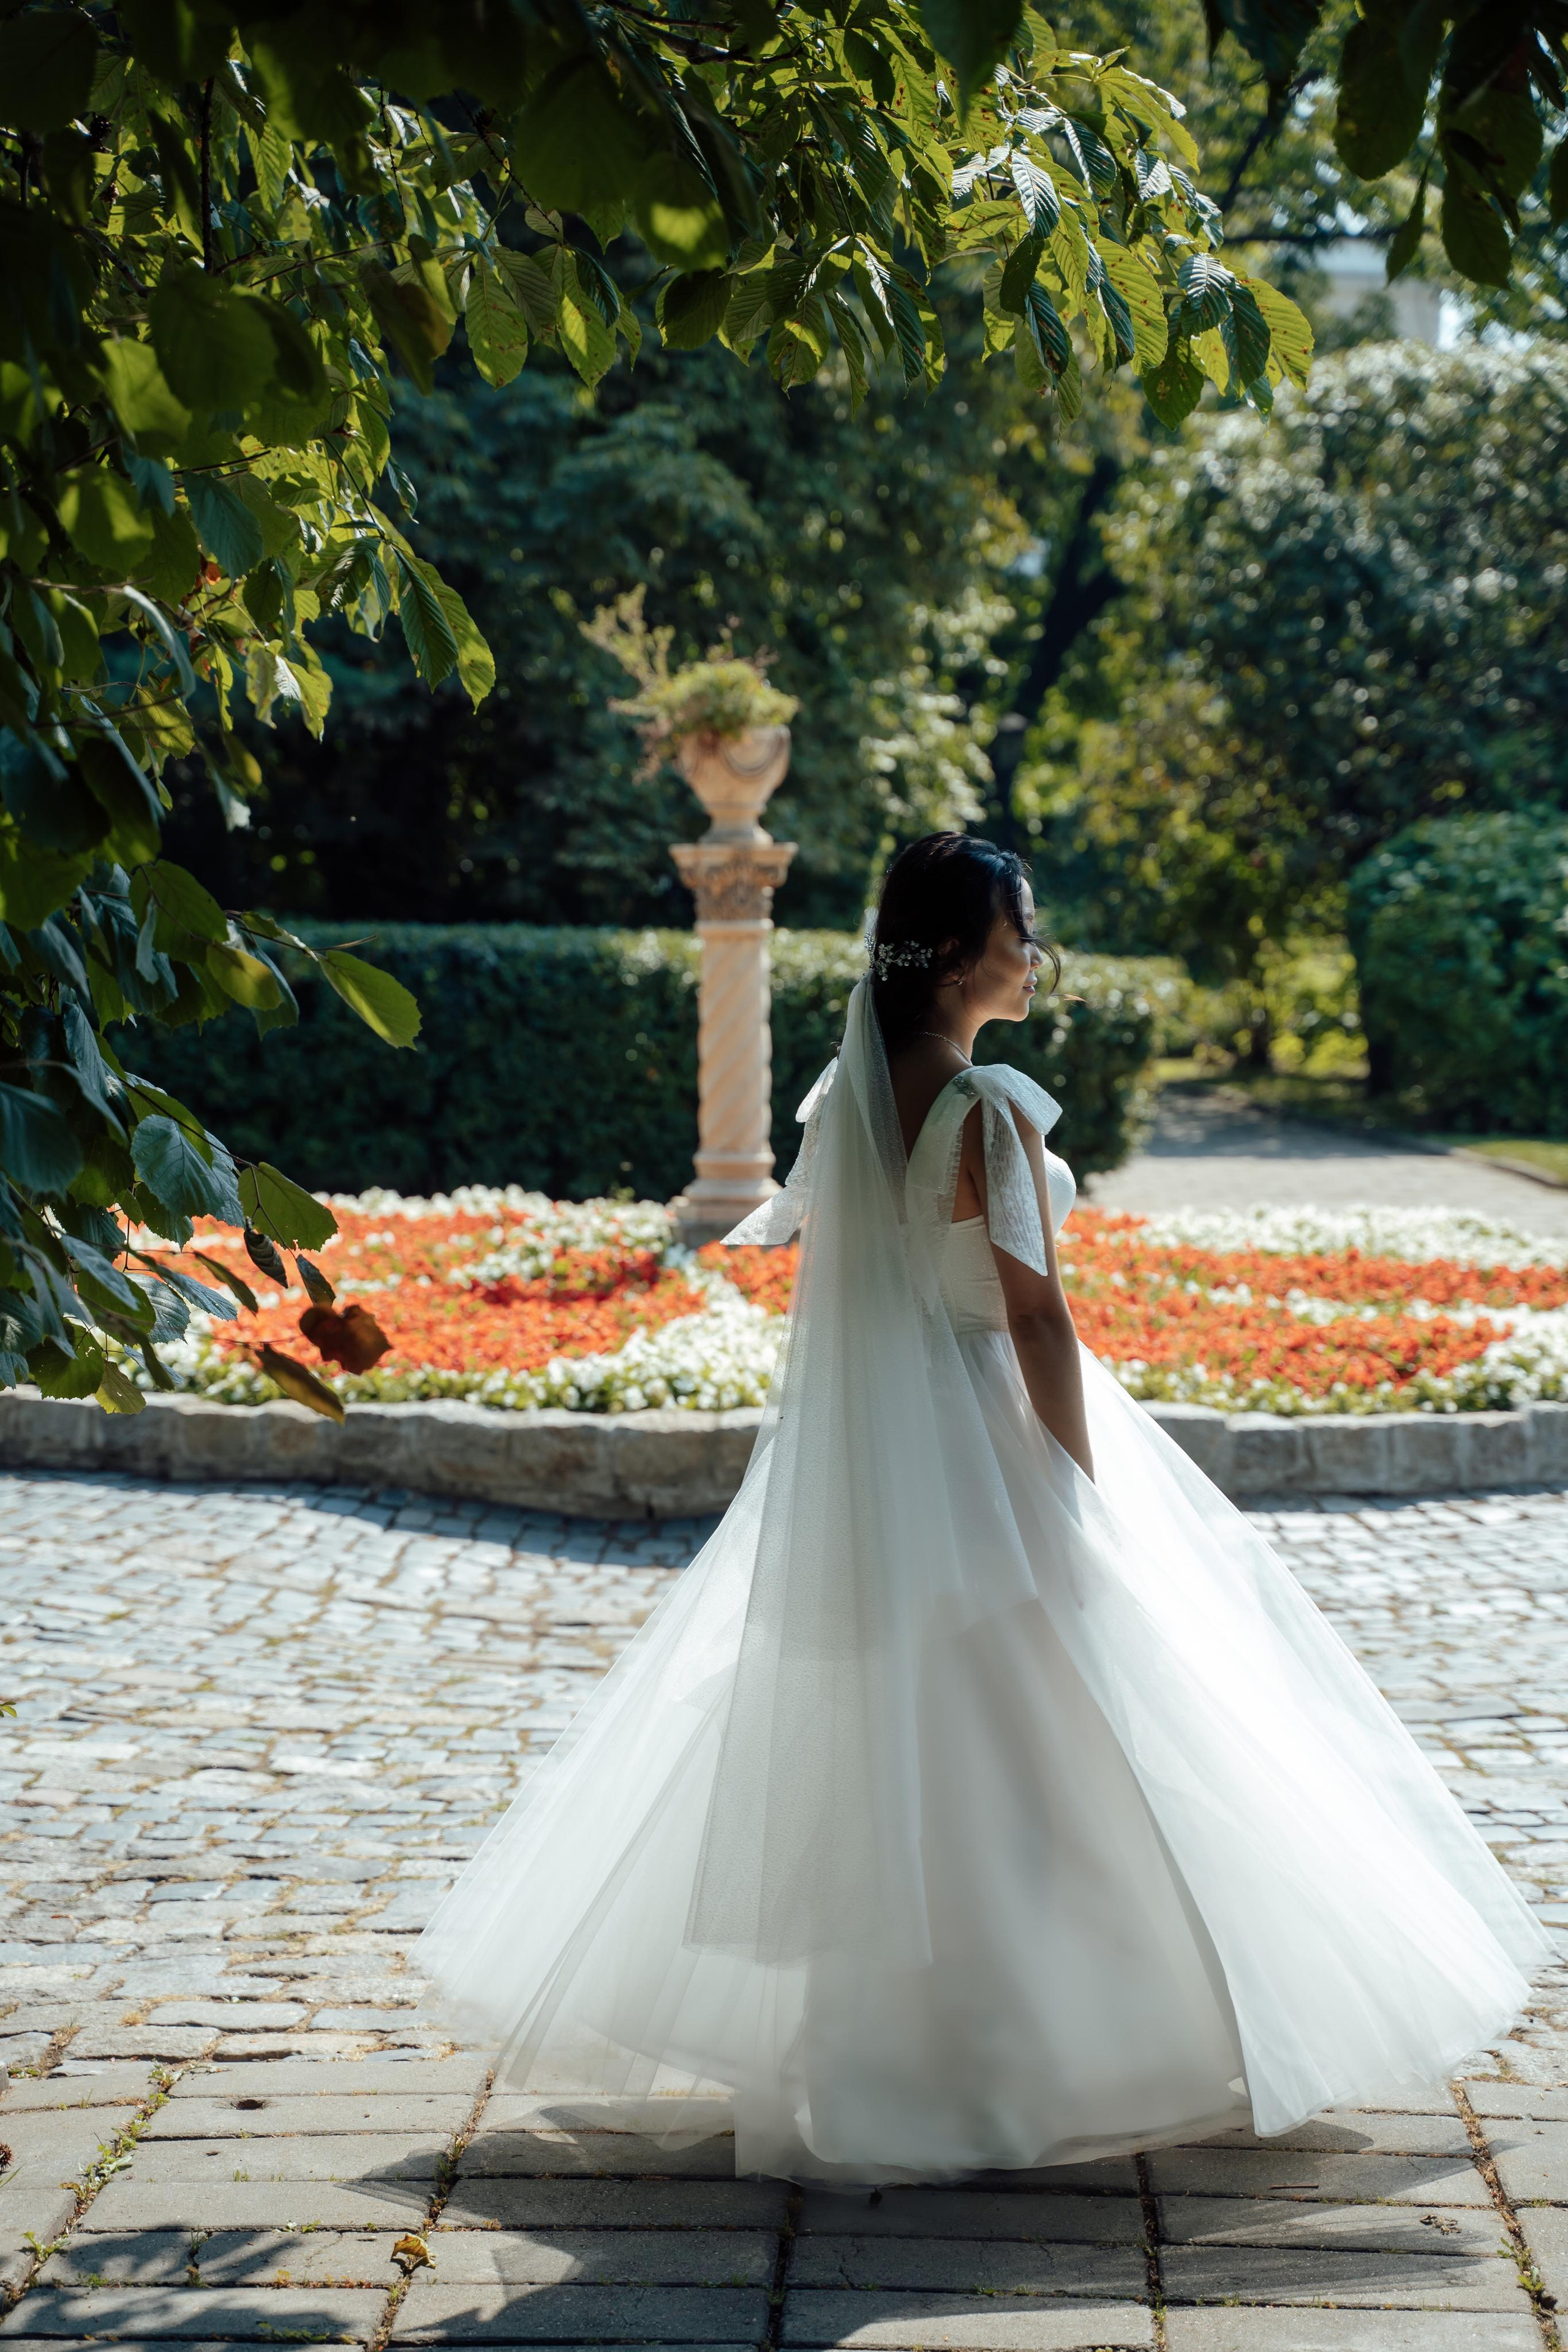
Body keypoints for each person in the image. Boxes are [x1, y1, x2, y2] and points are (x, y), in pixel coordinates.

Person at [417, 831, 1547, 2184]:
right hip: (990, 1438)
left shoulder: (851, 1097)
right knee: (1057, 1734)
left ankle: (895, 2053)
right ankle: (1051, 2049)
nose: (1035, 952)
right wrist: (1072, 1484)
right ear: (955, 954)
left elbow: (854, 1284)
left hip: (893, 1452)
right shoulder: (986, 1110)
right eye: (1020, 930)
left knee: (916, 1732)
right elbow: (1033, 1314)